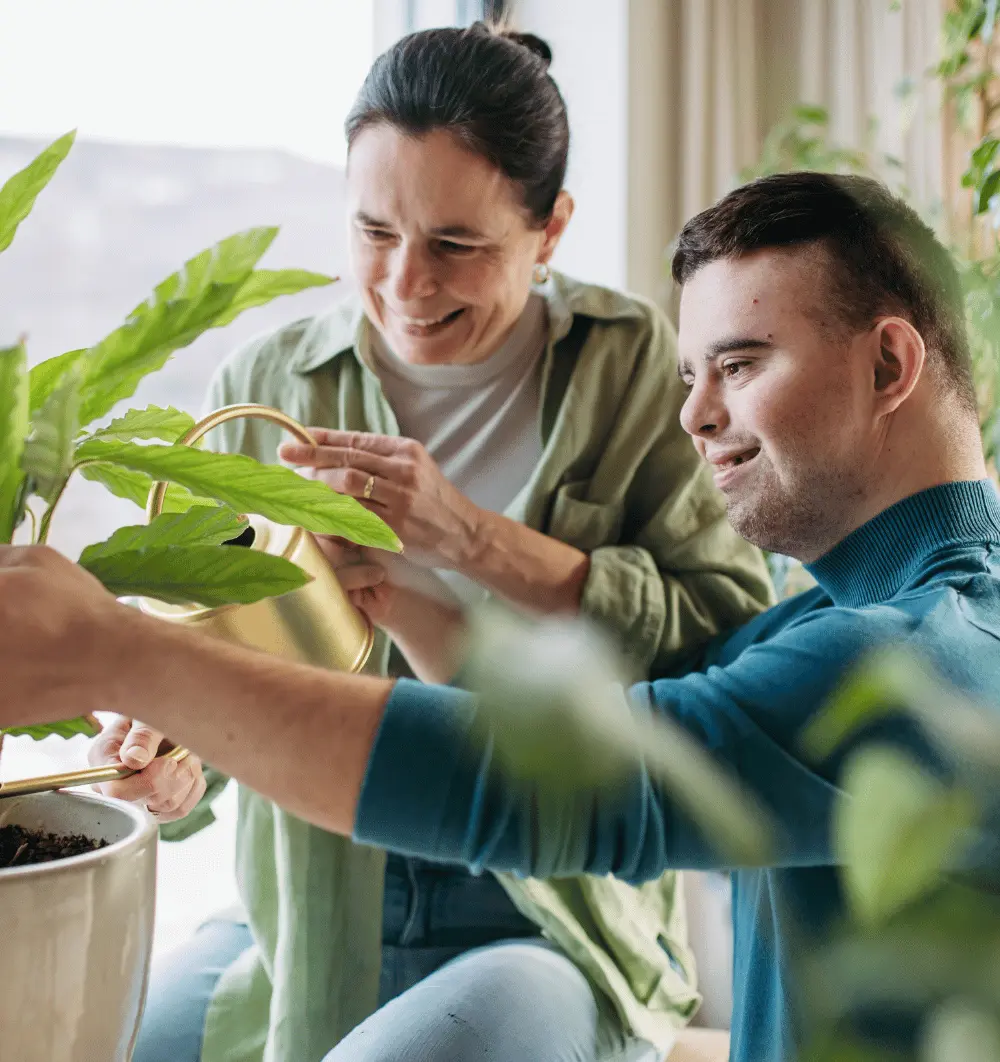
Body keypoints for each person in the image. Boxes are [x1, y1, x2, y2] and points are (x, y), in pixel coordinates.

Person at [6, 171, 995, 1062]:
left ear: (887, 366)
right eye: (692, 375)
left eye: (736, 366)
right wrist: (404, 605)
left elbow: (563, 787)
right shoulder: (851, 616)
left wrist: (123, 651)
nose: (694, 416)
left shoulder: (926, 655)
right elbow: (593, 730)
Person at [78, 23, 773, 1062]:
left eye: (456, 245)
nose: (406, 284)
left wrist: (469, 536)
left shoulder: (636, 370)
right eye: (372, 233)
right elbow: (212, 675)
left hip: (543, 904)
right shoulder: (267, 391)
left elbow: (728, 643)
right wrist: (173, 767)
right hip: (312, 904)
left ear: (550, 231)